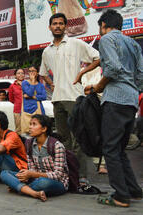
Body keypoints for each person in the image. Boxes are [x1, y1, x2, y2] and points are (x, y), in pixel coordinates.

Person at [83, 10, 142, 207]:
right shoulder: (133, 43)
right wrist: (131, 89)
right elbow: (140, 75)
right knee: (119, 149)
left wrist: (99, 86)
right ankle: (133, 190)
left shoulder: (107, 39)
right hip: (131, 100)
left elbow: (113, 69)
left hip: (115, 99)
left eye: (100, 28)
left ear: (104, 25)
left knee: (110, 147)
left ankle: (120, 196)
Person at [39, 13, 100, 185]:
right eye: (54, 24)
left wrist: (81, 73)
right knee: (64, 139)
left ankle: (81, 176)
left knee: (78, 137)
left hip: (75, 97)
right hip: (57, 99)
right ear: (50, 27)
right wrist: (53, 85)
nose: (57, 26)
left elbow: (97, 58)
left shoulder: (76, 44)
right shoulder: (47, 50)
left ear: (65, 26)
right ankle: (68, 173)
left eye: (60, 23)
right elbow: (43, 73)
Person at [0, 114, 69, 202]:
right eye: (30, 124)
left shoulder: (57, 146)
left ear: (44, 129)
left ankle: (20, 188)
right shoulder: (29, 144)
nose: (30, 127)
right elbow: (32, 168)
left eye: (34, 124)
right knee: (4, 174)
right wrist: (27, 176)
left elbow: (58, 175)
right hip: (35, 179)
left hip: (57, 183)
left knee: (43, 182)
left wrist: (32, 174)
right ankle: (33, 193)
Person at [21, 66, 47, 135]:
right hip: (27, 109)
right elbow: (29, 92)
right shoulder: (24, 83)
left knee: (39, 130)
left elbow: (44, 96)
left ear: (37, 73)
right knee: (27, 131)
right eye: (30, 71)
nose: (31, 73)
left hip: (39, 109)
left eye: (33, 71)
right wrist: (32, 81)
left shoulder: (40, 85)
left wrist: (32, 97)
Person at [8, 68, 24, 134]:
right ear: (15, 76)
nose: (20, 75)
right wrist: (18, 103)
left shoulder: (28, 84)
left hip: (28, 109)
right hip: (18, 110)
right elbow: (11, 99)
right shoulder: (12, 86)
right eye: (18, 73)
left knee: (28, 128)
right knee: (19, 129)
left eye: (22, 73)